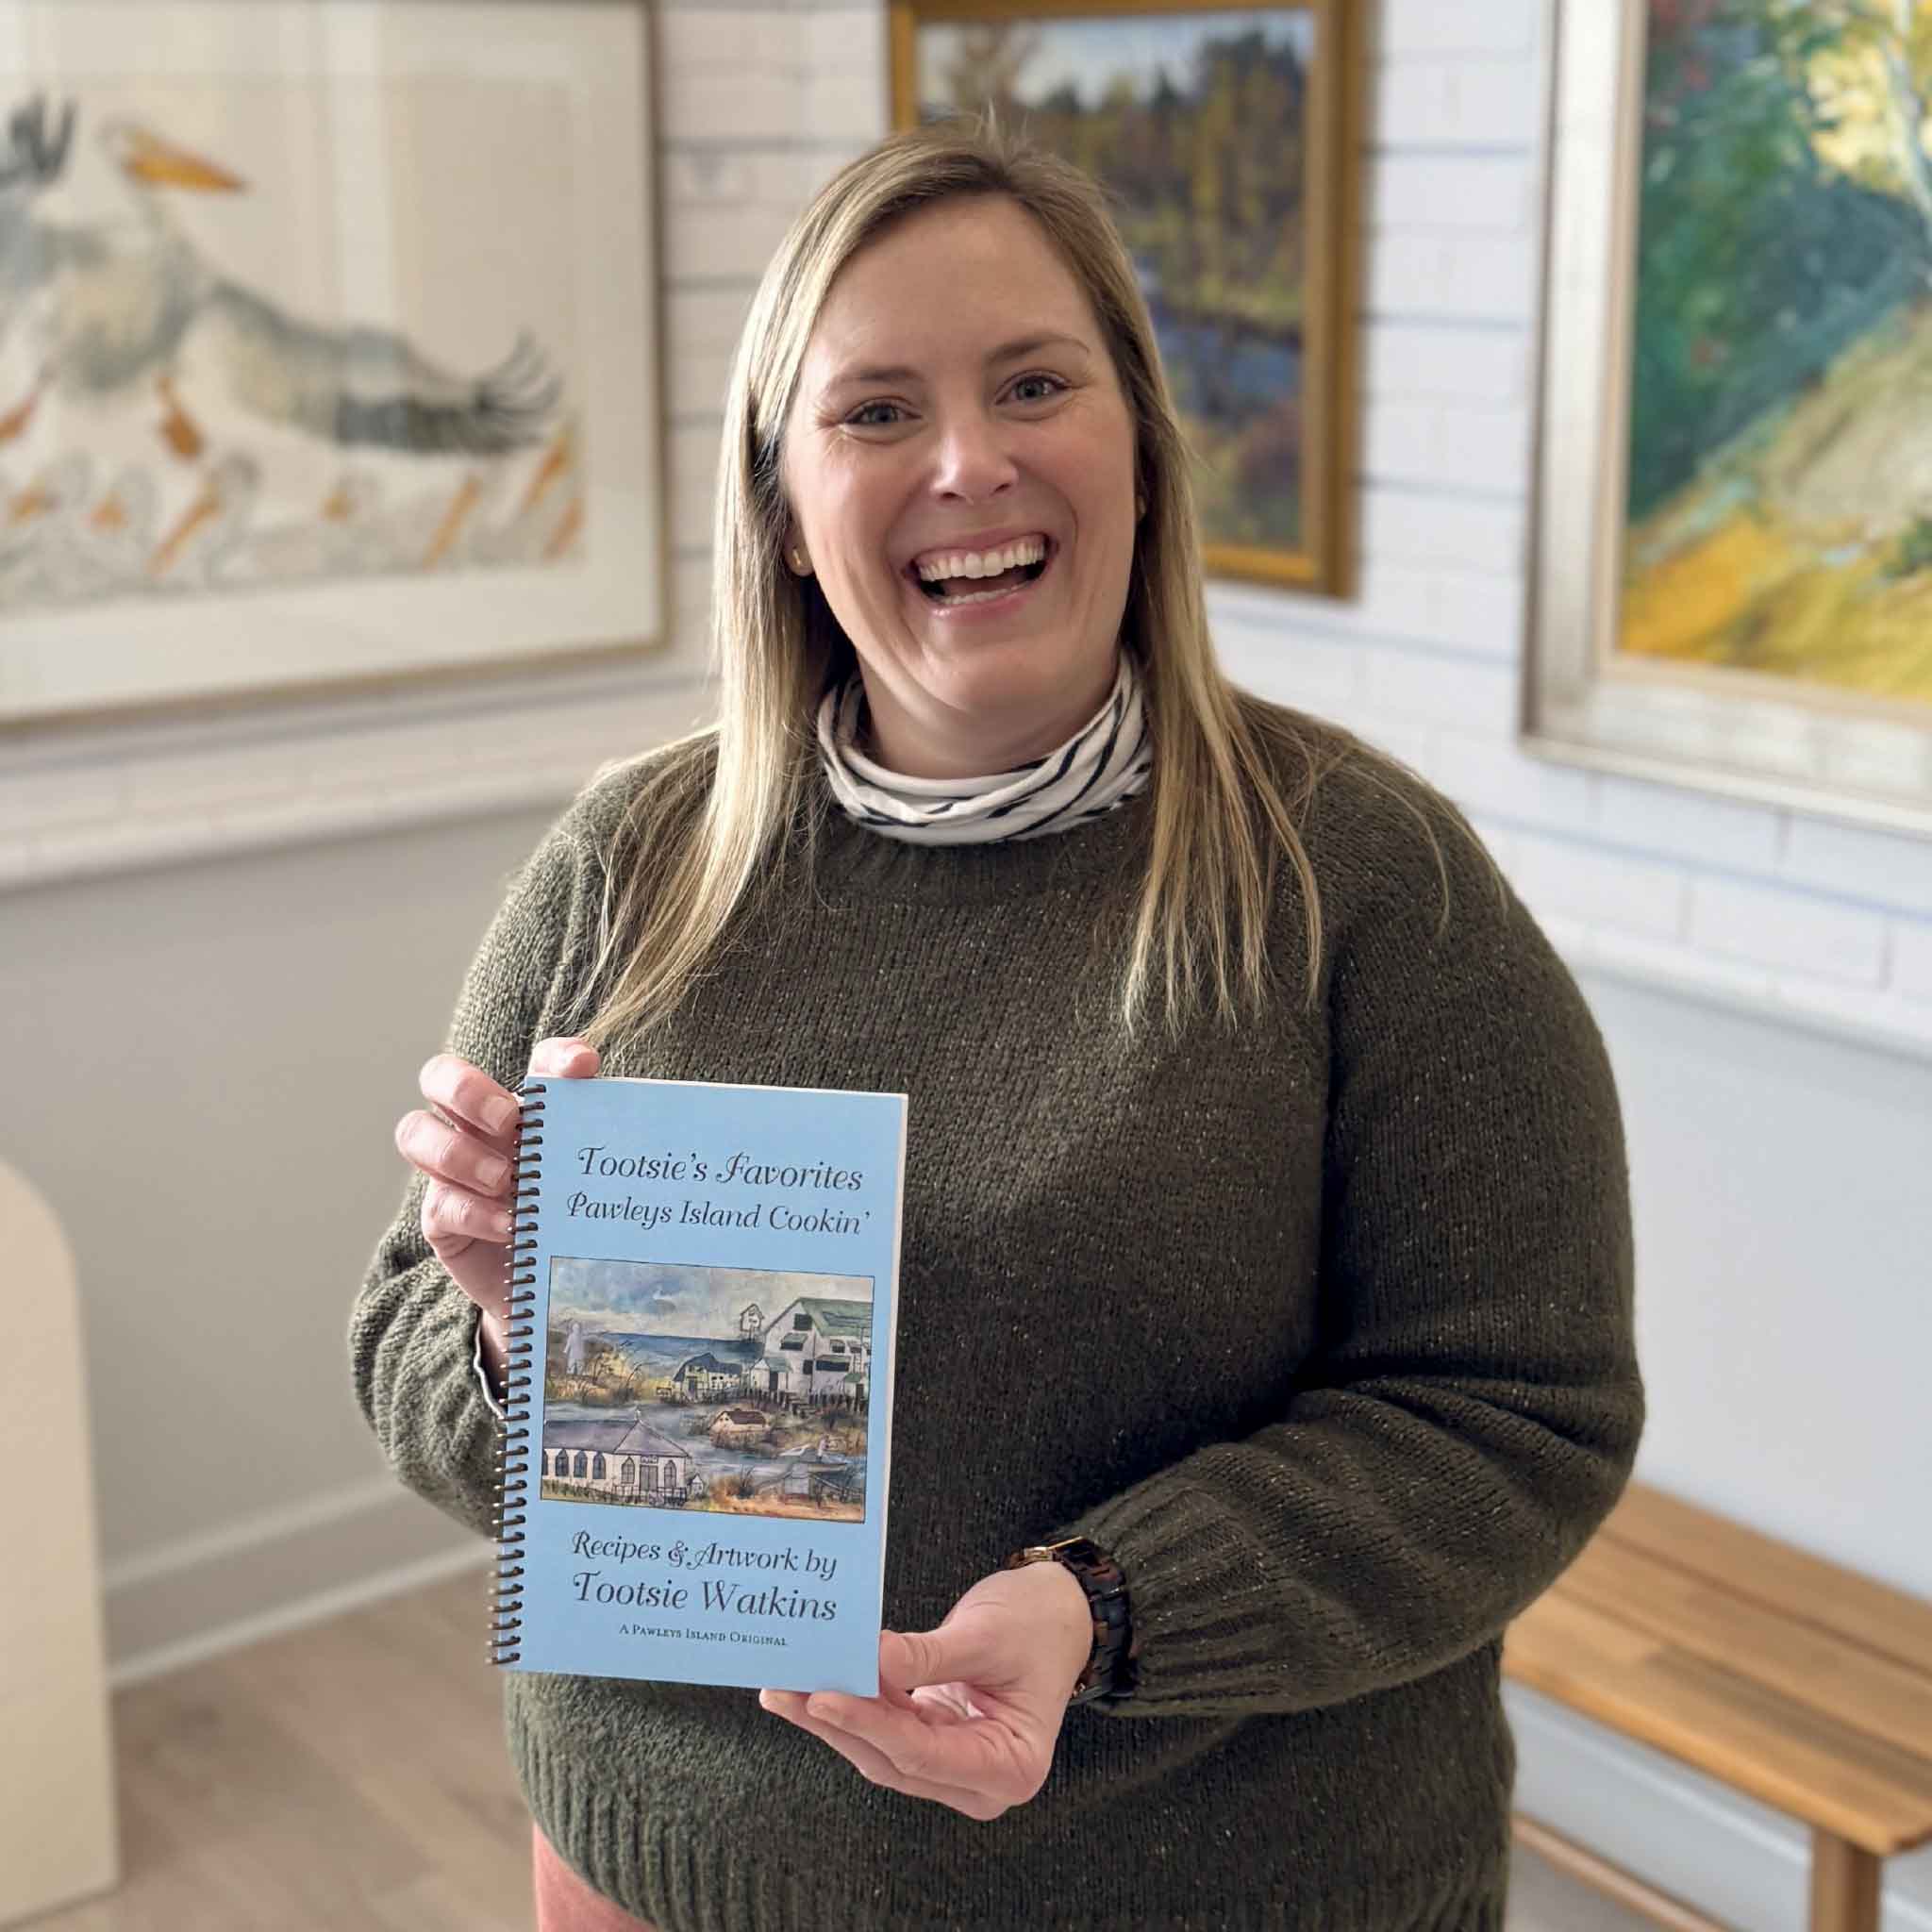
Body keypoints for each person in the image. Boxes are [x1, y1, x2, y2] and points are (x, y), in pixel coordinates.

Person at [354, 117, 1645, 1932]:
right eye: (875, 411)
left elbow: (1516, 1417)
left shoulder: (1367, 888)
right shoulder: (631, 864)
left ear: (1137, 447)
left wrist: (1102, 1609)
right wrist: (521, 1337)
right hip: (667, 1867)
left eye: (1034, 381)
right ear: (784, 508)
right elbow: (399, 1342)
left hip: (1229, 1888)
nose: (970, 462)